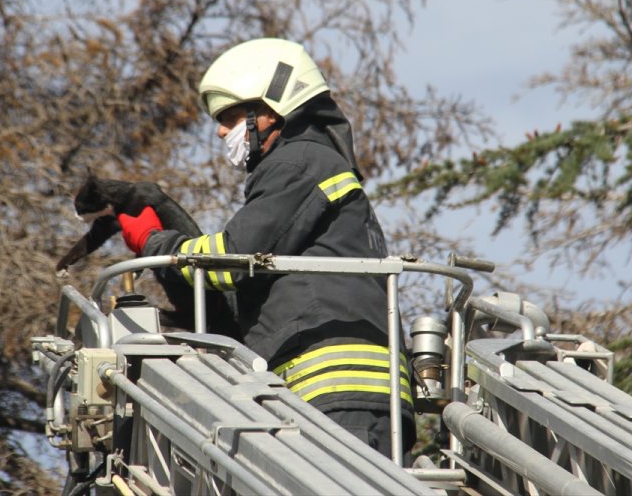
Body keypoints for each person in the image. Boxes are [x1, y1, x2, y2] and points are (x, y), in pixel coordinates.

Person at [116, 38, 416, 460]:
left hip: (333, 391)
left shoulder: (297, 163)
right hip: (348, 396)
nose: (221, 130)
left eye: (231, 116)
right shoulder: (313, 163)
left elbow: (231, 260)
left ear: (272, 110)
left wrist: (153, 241)